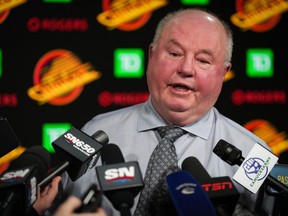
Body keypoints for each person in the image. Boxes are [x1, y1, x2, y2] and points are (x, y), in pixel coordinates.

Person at [59, 7, 275, 216]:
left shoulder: (253, 154)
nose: (186, 69)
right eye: (174, 53)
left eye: (203, 60)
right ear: (151, 55)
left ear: (224, 73)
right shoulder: (96, 131)